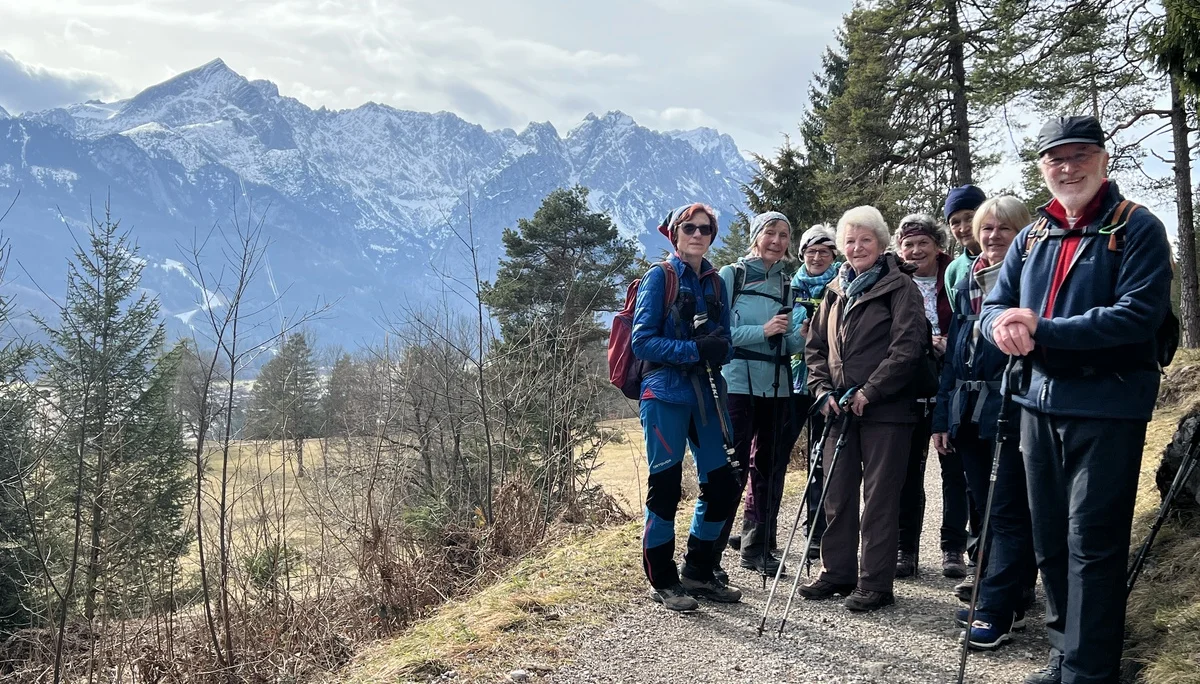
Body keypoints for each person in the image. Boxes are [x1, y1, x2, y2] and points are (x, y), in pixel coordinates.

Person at [982, 115, 1174, 684]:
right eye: (1054, 159)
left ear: (1102, 158)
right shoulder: (1032, 234)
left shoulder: (1137, 227)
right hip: (1037, 404)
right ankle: (1064, 655)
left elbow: (1139, 315)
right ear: (1042, 168)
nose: (1067, 168)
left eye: (1079, 156)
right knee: (1051, 540)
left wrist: (1041, 329)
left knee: (1093, 539)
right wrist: (1001, 328)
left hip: (1108, 403)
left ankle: (1090, 672)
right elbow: (995, 305)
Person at [799, 205, 927, 612]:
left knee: (879, 499)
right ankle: (837, 573)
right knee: (836, 495)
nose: (856, 248)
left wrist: (870, 391)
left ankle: (875, 583)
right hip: (838, 407)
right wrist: (822, 390)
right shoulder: (835, 290)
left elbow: (907, 348)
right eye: (850, 241)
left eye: (865, 240)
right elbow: (815, 347)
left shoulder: (900, 287)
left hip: (886, 410)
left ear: (882, 243)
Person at [931, 196, 1038, 650]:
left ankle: (997, 610)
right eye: (986, 228)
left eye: (1004, 229)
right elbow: (955, 353)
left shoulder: (1032, 278)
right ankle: (1005, 595)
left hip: (1010, 407)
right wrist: (942, 416)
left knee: (1008, 511)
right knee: (989, 506)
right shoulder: (968, 279)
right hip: (967, 409)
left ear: (1022, 233)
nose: (993, 237)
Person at [632, 202, 743, 612]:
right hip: (664, 394)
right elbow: (642, 343)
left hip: (707, 394)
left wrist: (719, 350)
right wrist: (694, 348)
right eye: (690, 228)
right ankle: (662, 579)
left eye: (706, 229)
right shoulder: (659, 279)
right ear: (675, 234)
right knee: (665, 489)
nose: (698, 235)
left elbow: (727, 342)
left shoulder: (716, 283)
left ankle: (698, 569)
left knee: (723, 485)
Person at [715, 211, 805, 577]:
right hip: (736, 382)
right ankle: (711, 554)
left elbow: (792, 344)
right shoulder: (730, 276)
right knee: (731, 469)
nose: (778, 241)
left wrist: (801, 334)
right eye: (771, 233)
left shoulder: (787, 284)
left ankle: (756, 549)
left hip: (777, 384)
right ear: (756, 236)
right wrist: (764, 330)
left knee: (768, 468)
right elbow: (719, 335)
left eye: (784, 235)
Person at [890, 214, 973, 580]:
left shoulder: (955, 276)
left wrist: (947, 345)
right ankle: (905, 549)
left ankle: (954, 548)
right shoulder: (894, 281)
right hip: (909, 384)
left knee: (955, 468)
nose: (916, 249)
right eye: (908, 244)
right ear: (899, 249)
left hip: (951, 381)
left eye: (923, 242)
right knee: (908, 470)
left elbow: (971, 323)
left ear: (938, 245)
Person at [790, 224, 840, 559]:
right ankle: (762, 529)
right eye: (811, 251)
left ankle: (821, 533)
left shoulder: (842, 284)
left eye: (824, 251)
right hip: (795, 379)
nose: (817, 257)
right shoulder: (791, 286)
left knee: (824, 458)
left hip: (830, 381)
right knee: (790, 457)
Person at [943, 184, 988, 307]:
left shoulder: (1007, 258)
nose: (963, 229)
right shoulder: (953, 271)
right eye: (955, 222)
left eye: (970, 218)